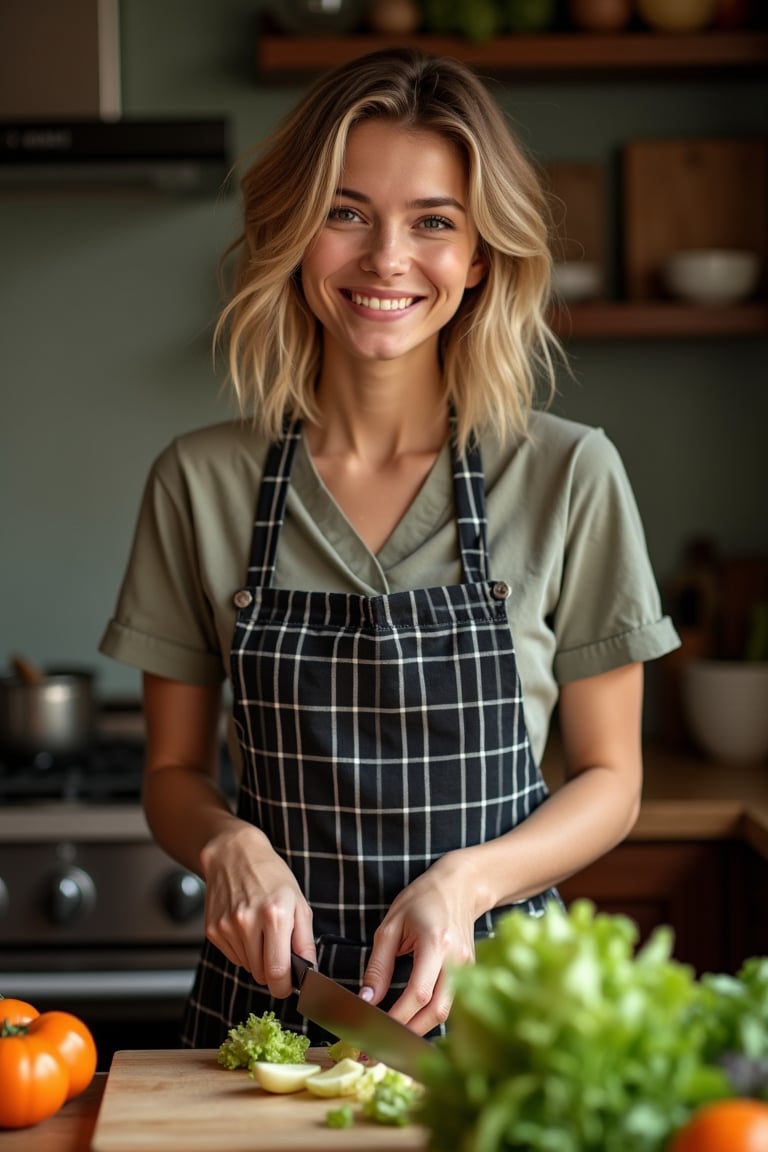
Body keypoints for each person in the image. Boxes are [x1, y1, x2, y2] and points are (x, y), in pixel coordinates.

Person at [100, 47, 679, 1047]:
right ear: (291, 230)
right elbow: (171, 777)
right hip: (268, 1020)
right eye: (347, 211)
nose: (387, 260)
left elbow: (612, 778)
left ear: (482, 256)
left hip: (503, 1012)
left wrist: (470, 881)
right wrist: (230, 844)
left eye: (434, 222)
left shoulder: (569, 474)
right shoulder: (199, 482)